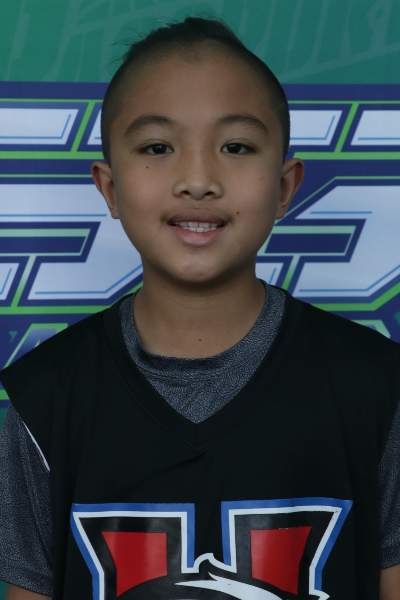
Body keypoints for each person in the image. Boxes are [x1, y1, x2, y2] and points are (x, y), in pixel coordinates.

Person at [0, 15, 399, 600]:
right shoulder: (47, 398)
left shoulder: (377, 387)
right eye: (157, 147)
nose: (197, 179)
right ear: (109, 188)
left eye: (235, 146)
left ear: (285, 186)